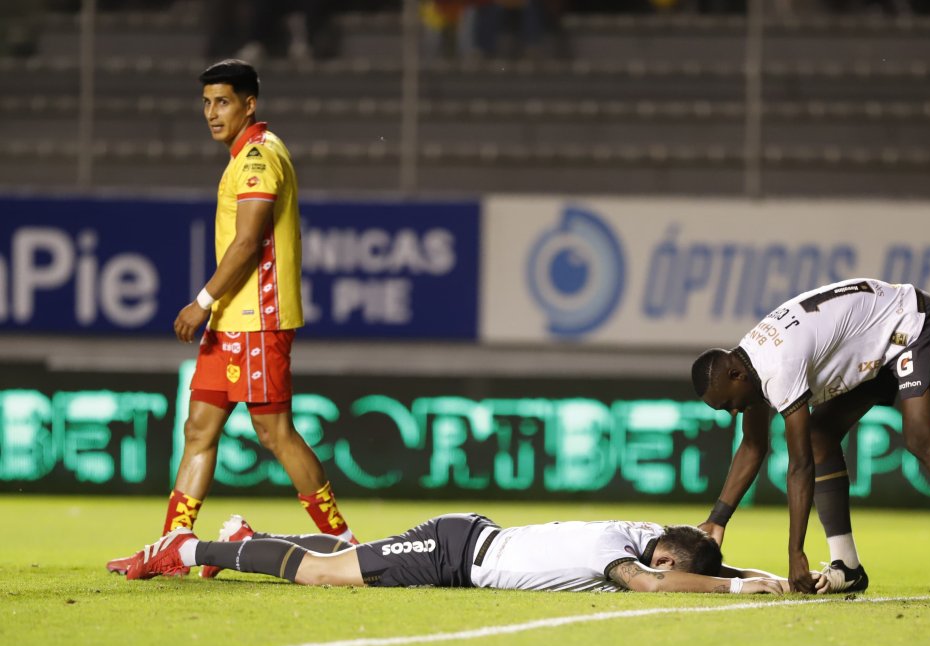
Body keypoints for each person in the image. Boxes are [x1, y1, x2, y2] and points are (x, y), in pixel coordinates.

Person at [107, 59, 357, 577]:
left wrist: (201, 300)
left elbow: (247, 244)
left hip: (256, 319)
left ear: (250, 104)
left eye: (222, 102)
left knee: (275, 433)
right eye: (206, 103)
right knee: (199, 428)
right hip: (231, 322)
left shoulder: (257, 160)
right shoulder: (246, 155)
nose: (211, 113)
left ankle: (343, 541)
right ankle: (172, 547)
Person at [691, 278, 930, 598]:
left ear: (736, 376)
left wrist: (795, 554)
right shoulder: (749, 367)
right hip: (872, 344)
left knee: (921, 438)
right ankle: (847, 567)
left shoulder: (778, 365)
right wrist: (717, 520)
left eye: (727, 404)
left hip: (911, 323)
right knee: (820, 437)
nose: (732, 412)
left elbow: (800, 465)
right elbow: (752, 444)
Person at [123, 514, 792, 595]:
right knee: (329, 572)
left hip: (467, 547)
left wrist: (777, 578)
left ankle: (245, 539)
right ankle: (190, 546)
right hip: (455, 551)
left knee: (357, 554)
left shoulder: (648, 531)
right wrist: (736, 590)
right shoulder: (609, 553)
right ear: (667, 557)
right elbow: (651, 587)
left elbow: (684, 565)